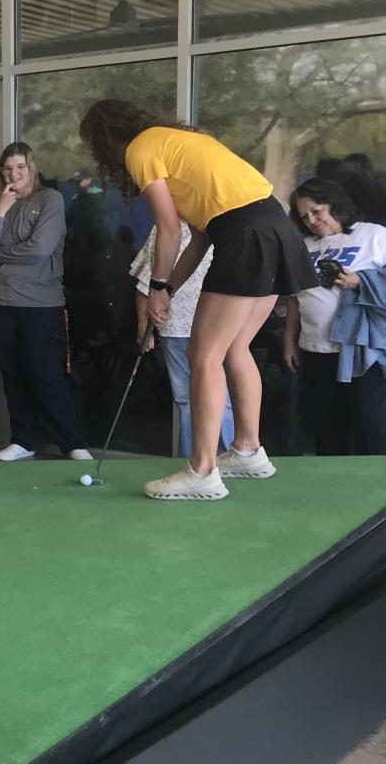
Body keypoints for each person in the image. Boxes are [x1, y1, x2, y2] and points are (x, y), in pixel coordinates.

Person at [81, 99, 316, 500]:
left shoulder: (141, 148)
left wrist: (153, 287)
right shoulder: (180, 144)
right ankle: (248, 450)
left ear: (105, 139)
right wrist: (168, 288)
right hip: (276, 229)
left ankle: (203, 470)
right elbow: (199, 239)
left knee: (202, 354)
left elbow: (168, 230)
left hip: (246, 234)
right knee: (235, 347)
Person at [0, 143, 92, 464]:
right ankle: (23, 440)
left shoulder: (49, 200)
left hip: (41, 304)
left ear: (31, 169)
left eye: (20, 168)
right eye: (8, 169)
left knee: (46, 373)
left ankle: (71, 442)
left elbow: (40, 249)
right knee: (12, 375)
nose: (14, 174)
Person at [283, 179, 386, 455]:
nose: (312, 220)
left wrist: (361, 282)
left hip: (361, 347)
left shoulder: (373, 236)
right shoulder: (303, 247)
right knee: (326, 425)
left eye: (317, 210)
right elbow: (295, 298)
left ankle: (373, 486)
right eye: (304, 216)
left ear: (334, 204)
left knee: (370, 422)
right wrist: (289, 342)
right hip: (315, 347)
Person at [129, 219, 234, 458]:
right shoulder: (167, 228)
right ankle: (193, 461)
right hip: (178, 327)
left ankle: (223, 459)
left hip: (219, 326)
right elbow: (146, 283)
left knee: (220, 398)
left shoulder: (224, 227)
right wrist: (144, 325)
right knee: (189, 399)